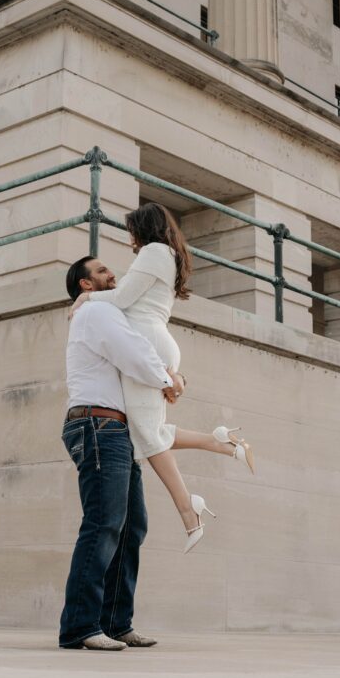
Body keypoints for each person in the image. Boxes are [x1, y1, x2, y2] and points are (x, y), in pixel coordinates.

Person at [71, 202, 256, 553]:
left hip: (148, 346)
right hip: (152, 345)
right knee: (148, 433)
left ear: (143, 228)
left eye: (131, 232)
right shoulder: (165, 254)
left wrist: (87, 297)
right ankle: (221, 444)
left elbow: (124, 298)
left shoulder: (155, 251)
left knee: (149, 437)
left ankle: (189, 510)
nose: (130, 241)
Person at [60, 255, 186, 651]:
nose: (111, 274)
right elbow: (133, 352)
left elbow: (143, 348)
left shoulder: (102, 309)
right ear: (85, 285)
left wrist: (171, 377)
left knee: (131, 528)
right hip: (98, 426)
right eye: (100, 271)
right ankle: (80, 627)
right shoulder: (98, 313)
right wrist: (168, 379)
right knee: (104, 524)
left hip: (115, 430)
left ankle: (116, 622)